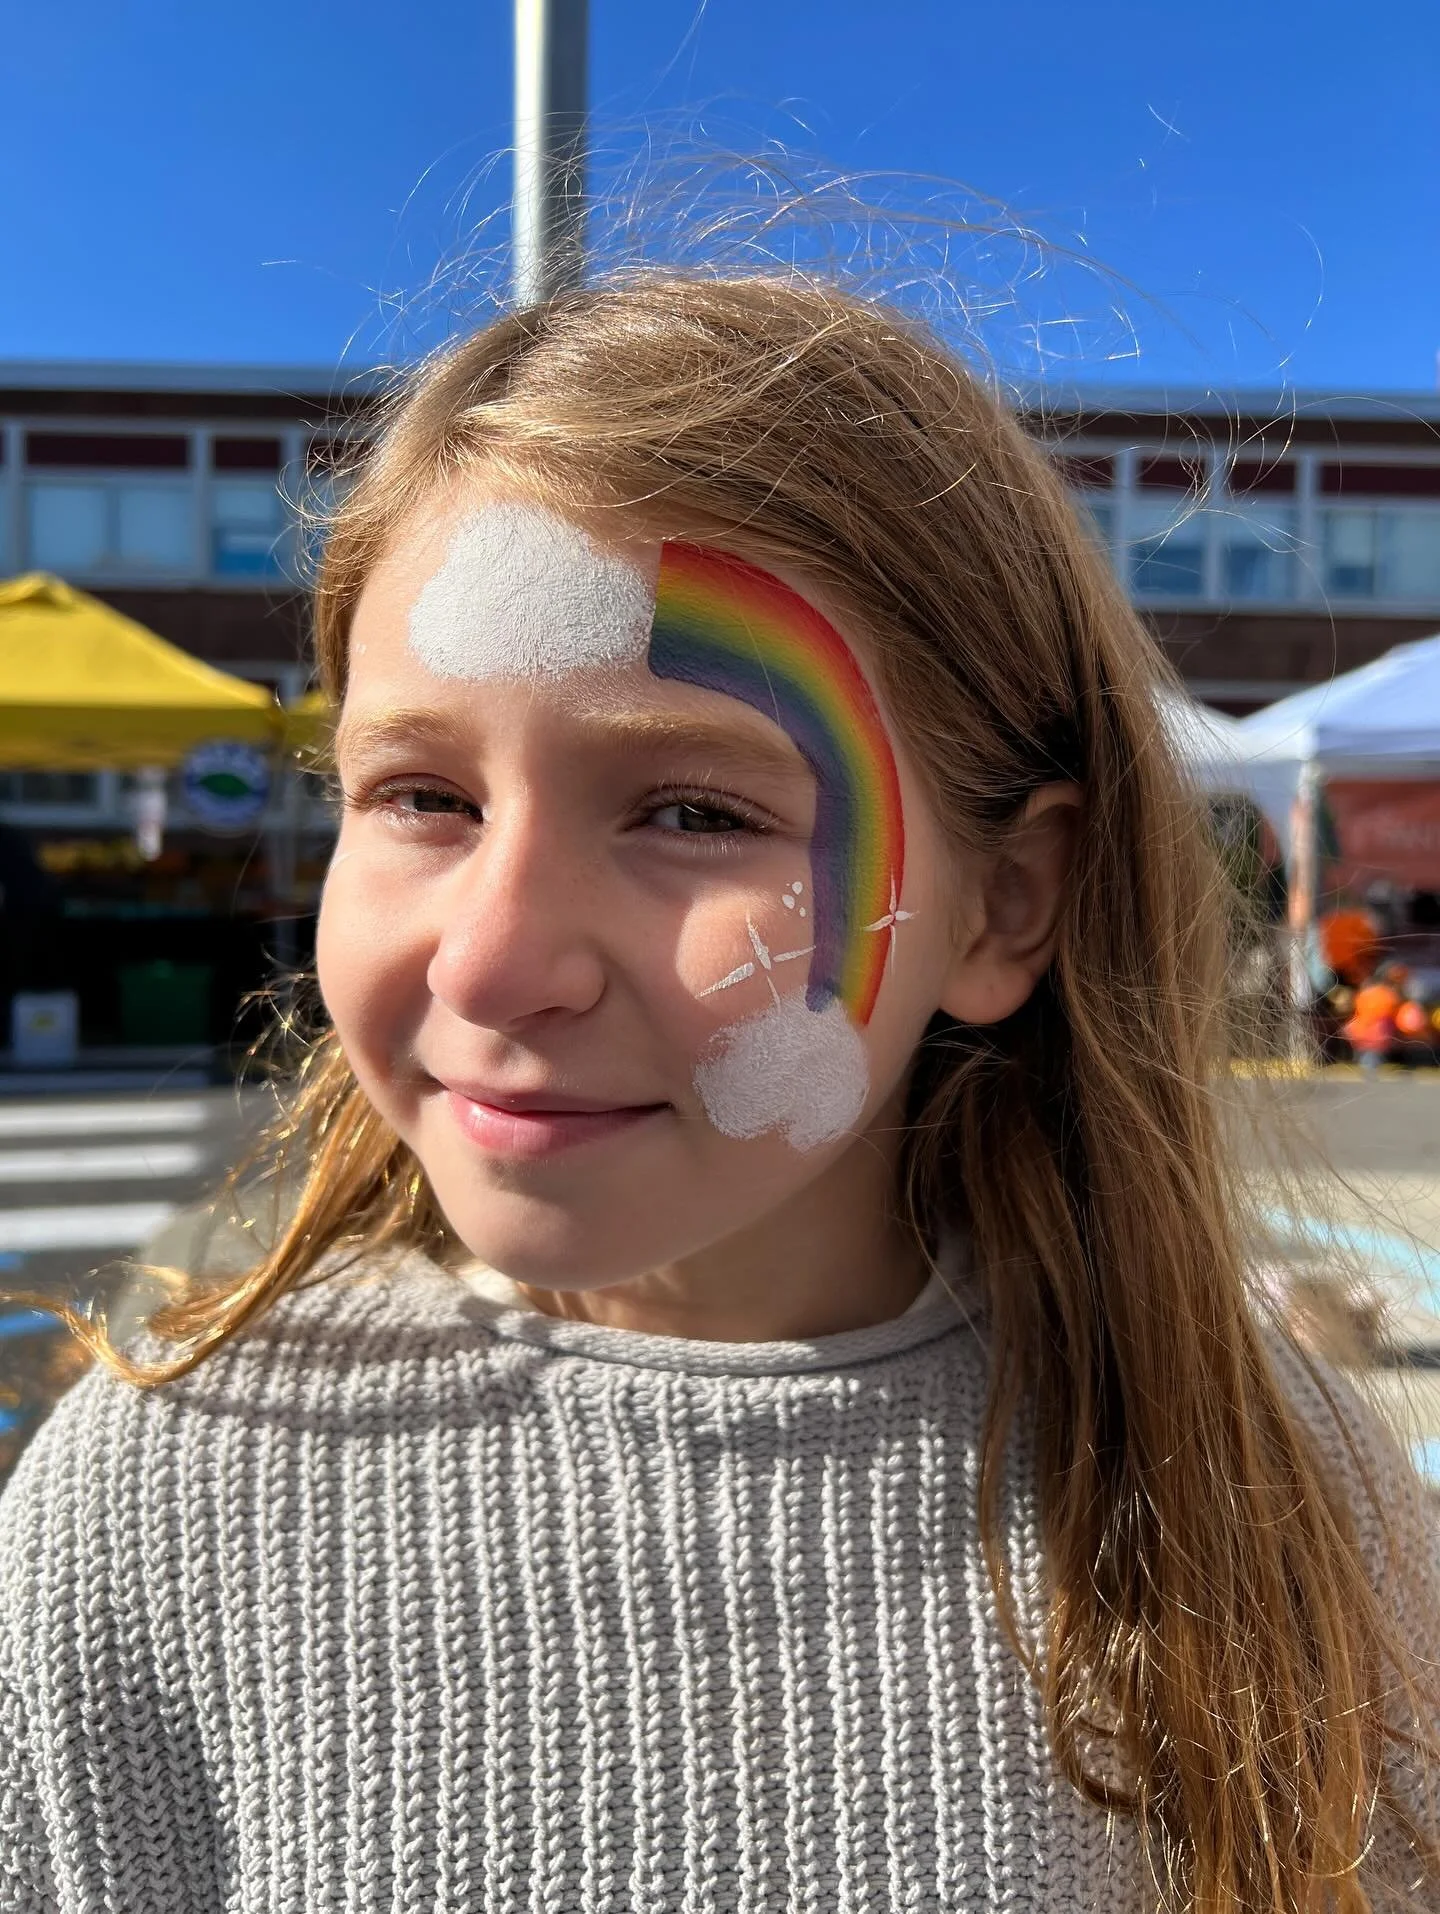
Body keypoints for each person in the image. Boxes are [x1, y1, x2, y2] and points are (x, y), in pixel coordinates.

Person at [1, 274, 1437, 1913]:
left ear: (1006, 904)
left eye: (693, 811)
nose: (491, 961)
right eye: (421, 794)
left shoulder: (1271, 1497)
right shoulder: (158, 1503)